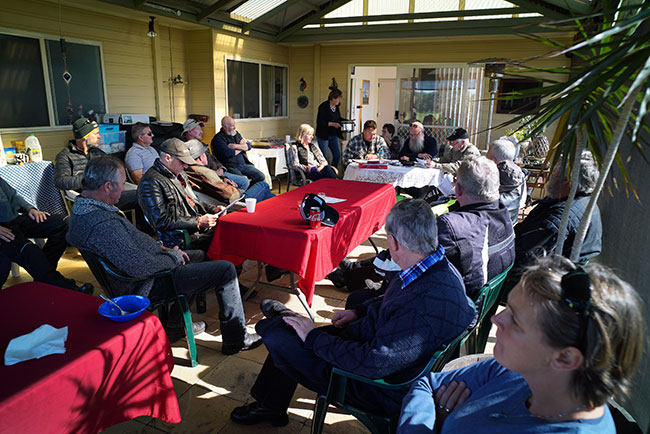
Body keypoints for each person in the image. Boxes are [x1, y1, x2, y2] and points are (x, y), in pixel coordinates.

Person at [230, 199, 475, 427]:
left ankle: (271, 395)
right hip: (387, 350)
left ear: (395, 242)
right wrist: (359, 312)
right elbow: (398, 300)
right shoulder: (438, 267)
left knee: (278, 337)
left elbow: (373, 362)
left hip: (374, 386)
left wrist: (313, 338)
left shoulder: (423, 304)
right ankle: (271, 400)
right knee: (290, 330)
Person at [398, 256, 645, 433]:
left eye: (515, 319)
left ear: (565, 358)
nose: (496, 319)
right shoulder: (517, 371)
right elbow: (427, 384)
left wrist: (441, 421)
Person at [67, 155, 262, 352]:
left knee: (199, 256)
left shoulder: (86, 209)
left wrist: (162, 249)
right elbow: (138, 266)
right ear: (107, 186)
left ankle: (176, 325)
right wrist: (172, 257)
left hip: (146, 267)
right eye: (120, 185)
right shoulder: (101, 224)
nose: (122, 190)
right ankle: (236, 338)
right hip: (145, 284)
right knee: (226, 270)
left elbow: (129, 247)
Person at [331, 157, 515, 299]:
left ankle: (349, 275)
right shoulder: (504, 216)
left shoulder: (454, 226)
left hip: (445, 303)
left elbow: (404, 263)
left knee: (400, 250)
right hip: (474, 299)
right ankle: (351, 271)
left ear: (457, 190)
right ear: (496, 188)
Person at [513, 150, 602, 274]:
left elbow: (523, 257)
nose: (550, 176)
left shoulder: (558, 219)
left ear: (566, 181)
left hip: (536, 280)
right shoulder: (587, 202)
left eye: (554, 172)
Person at [0, 177, 92, 293]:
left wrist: (30, 209)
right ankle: (66, 288)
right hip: (3, 232)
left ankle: (45, 278)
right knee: (29, 250)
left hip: (14, 221)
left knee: (64, 223)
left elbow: (13, 196)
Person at [137, 138, 222, 252]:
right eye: (182, 162)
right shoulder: (150, 182)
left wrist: (213, 209)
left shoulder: (178, 173)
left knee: (229, 228)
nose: (186, 166)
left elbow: (193, 200)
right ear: (168, 158)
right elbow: (160, 221)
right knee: (227, 236)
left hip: (195, 228)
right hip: (180, 238)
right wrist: (198, 221)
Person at [54, 117, 139, 211]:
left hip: (109, 192)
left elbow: (114, 168)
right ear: (85, 137)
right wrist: (91, 178)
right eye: (96, 133)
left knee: (144, 193)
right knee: (142, 195)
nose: (99, 136)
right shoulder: (65, 156)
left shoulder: (97, 152)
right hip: (90, 200)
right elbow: (60, 182)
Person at [185, 139, 274, 202]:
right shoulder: (205, 172)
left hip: (222, 197)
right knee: (263, 185)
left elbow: (215, 185)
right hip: (239, 202)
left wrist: (224, 180)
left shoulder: (188, 170)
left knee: (266, 196)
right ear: (201, 157)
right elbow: (229, 195)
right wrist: (234, 188)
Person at [182, 119, 251, 193]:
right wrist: (218, 176)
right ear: (189, 131)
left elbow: (213, 159)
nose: (202, 132)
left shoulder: (201, 145)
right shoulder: (185, 149)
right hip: (209, 177)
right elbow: (196, 170)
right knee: (244, 182)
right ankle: (239, 199)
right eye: (199, 129)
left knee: (248, 180)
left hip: (220, 172)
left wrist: (221, 168)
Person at [210, 116, 267, 187]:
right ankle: (245, 194)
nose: (234, 127)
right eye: (232, 126)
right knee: (242, 181)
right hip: (230, 166)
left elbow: (248, 146)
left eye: (234, 125)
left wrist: (233, 146)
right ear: (224, 127)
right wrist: (242, 147)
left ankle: (251, 191)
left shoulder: (235, 134)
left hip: (243, 164)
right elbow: (228, 153)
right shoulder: (218, 139)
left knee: (260, 176)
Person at [487, 138, 527, 225]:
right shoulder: (519, 174)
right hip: (511, 227)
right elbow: (521, 203)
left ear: (493, 161)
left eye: (487, 155)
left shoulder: (491, 178)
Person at [315, 88, 344, 168]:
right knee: (324, 157)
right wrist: (332, 124)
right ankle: (325, 175)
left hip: (333, 134)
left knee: (337, 154)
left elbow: (338, 118)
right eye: (338, 98)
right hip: (323, 135)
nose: (339, 100)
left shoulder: (336, 107)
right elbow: (320, 121)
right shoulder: (323, 106)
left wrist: (347, 121)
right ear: (333, 98)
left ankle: (333, 172)